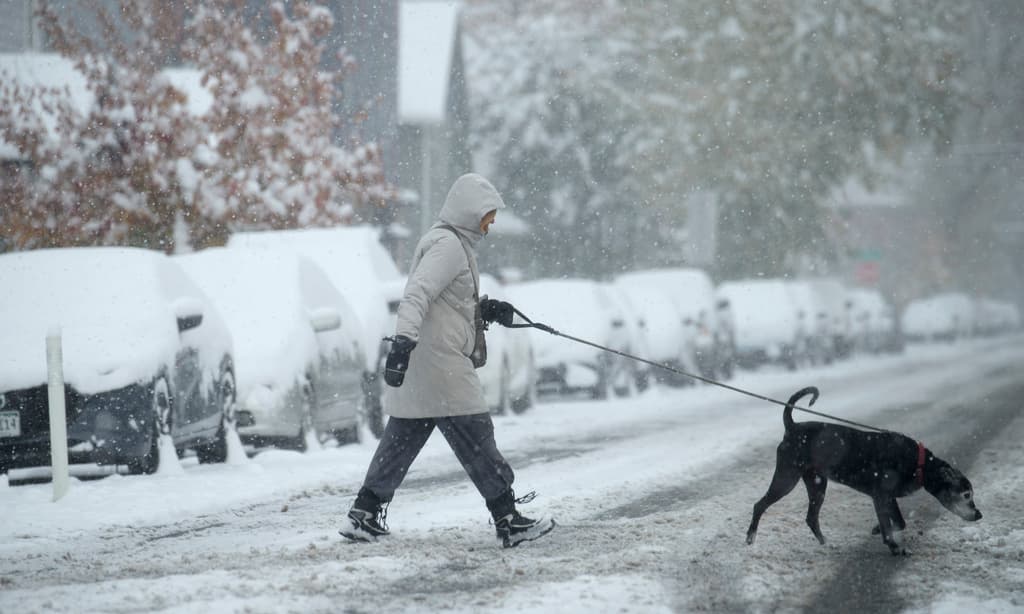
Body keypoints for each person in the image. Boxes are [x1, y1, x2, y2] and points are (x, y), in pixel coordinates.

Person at [339, 173, 555, 548]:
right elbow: (416, 295)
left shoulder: (451, 243)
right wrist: (402, 341)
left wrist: (484, 307)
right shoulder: (448, 246)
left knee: (402, 439)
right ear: (470, 212)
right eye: (488, 214)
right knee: (476, 435)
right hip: (441, 365)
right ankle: (507, 517)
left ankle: (365, 512)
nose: (492, 223)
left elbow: (444, 301)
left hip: (428, 364)